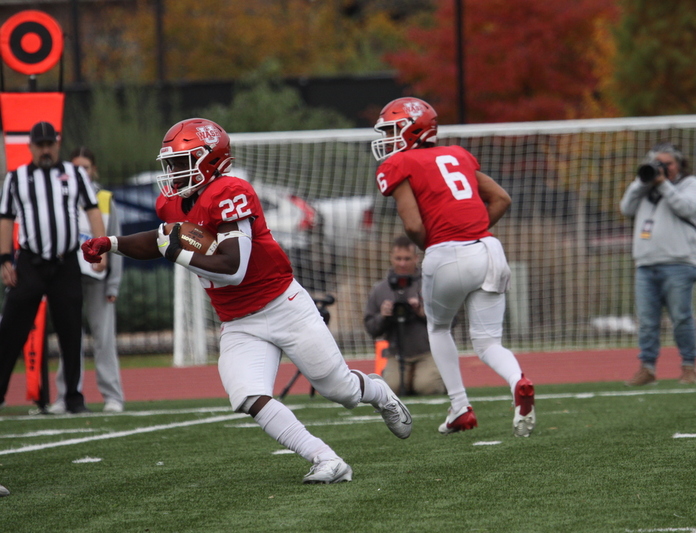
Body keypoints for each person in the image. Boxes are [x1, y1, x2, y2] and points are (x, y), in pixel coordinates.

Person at [81, 118, 411, 484]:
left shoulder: (229, 192)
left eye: (181, 162)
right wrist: (112, 243)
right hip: (238, 320)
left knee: (341, 390)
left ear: (210, 160)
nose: (173, 171)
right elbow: (159, 238)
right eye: (171, 163)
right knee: (246, 395)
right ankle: (325, 458)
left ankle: (378, 393)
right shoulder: (173, 202)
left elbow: (233, 267)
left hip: (283, 305)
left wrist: (178, 252)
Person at [370, 97, 535, 437]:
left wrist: (439, 244)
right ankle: (518, 380)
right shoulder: (458, 154)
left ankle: (460, 406)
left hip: (446, 253)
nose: (386, 138)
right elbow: (501, 198)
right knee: (488, 343)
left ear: (412, 130)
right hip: (489, 250)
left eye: (391, 130)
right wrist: (471, 231)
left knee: (439, 328)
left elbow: (413, 226)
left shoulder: (399, 163)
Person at [0, 122, 107, 414]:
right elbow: (6, 218)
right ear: (31, 147)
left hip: (65, 262)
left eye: (50, 144)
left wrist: (101, 248)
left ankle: (73, 397)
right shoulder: (16, 178)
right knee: (11, 328)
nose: (45, 150)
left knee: (70, 330)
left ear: (57, 145)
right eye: (40, 145)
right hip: (30, 262)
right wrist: (5, 259)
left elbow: (93, 210)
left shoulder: (75, 174)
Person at [619, 142, 696, 386]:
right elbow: (626, 208)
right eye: (658, 163)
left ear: (679, 164)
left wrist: (663, 183)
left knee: (681, 318)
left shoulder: (690, 184)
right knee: (647, 321)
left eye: (668, 164)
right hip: (646, 264)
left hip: (679, 263)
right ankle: (647, 368)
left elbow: (687, 208)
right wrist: (641, 181)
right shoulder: (644, 187)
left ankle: (689, 367)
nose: (663, 168)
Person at [49, 147, 125, 414]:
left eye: (86, 167)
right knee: (69, 339)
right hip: (67, 277)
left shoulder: (104, 199)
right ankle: (65, 396)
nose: (81, 172)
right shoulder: (60, 196)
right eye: (76, 167)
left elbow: (116, 242)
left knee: (104, 340)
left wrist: (113, 283)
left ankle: (112, 396)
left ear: (94, 170)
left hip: (98, 279)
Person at [364, 235, 445, 396]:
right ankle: (410, 380)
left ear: (416, 258)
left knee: (428, 387)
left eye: (407, 259)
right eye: (398, 258)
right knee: (391, 390)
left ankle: (436, 380)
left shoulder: (430, 284)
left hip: (428, 351)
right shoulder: (380, 289)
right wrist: (383, 316)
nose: (402, 263)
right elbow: (371, 328)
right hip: (396, 354)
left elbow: (451, 320)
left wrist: (423, 312)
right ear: (391, 258)